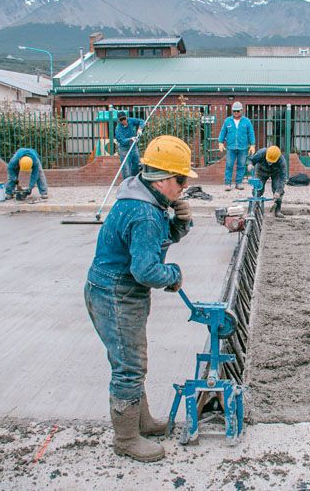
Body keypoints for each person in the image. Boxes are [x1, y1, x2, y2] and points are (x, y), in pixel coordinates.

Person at [85, 135, 197, 463]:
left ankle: (142, 421)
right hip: (116, 297)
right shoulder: (145, 214)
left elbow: (155, 242)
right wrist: (173, 274)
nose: (184, 186)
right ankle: (126, 438)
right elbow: (146, 269)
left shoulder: (142, 195)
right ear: (162, 179)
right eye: (181, 180)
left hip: (114, 292)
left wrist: (180, 223)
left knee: (133, 361)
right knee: (129, 367)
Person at [218, 101, 255, 191]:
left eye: (238, 111)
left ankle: (238, 183)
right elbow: (223, 132)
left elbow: (251, 133)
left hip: (243, 148)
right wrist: (220, 142)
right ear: (232, 111)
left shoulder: (247, 121)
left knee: (241, 166)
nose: (236, 113)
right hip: (231, 147)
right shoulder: (227, 121)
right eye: (234, 111)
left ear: (241, 111)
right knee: (229, 165)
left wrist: (252, 144)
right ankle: (228, 183)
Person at [248, 145, 288, 217]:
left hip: (276, 173)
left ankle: (277, 210)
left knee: (277, 189)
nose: (270, 162)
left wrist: (278, 191)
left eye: (272, 161)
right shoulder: (262, 152)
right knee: (258, 189)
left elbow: (283, 178)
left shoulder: (282, 160)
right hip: (261, 171)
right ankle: (254, 208)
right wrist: (250, 164)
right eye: (268, 160)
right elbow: (251, 160)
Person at [115, 111, 145, 180]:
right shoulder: (118, 129)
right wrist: (130, 139)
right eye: (121, 120)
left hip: (133, 147)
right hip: (124, 150)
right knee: (126, 169)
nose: (123, 121)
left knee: (136, 165)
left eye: (124, 118)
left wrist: (140, 129)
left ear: (126, 117)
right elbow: (122, 141)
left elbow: (141, 121)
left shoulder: (131, 121)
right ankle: (126, 184)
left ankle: (135, 181)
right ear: (119, 121)